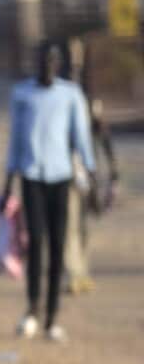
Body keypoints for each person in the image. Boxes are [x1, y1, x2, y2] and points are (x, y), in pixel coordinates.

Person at [0, 41, 97, 343]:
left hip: (60, 177)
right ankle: (32, 309)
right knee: (36, 244)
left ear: (58, 64)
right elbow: (15, 140)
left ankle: (52, 317)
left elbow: (81, 139)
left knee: (57, 248)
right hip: (31, 176)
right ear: (36, 63)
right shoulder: (22, 94)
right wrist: (7, 186)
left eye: (53, 61)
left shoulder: (70, 95)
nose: (48, 67)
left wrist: (91, 180)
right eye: (43, 61)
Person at [64, 98, 119, 295]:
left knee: (83, 228)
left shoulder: (89, 106)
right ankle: (73, 274)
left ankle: (82, 272)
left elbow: (105, 139)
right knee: (69, 228)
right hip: (66, 178)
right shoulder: (64, 103)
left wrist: (113, 171)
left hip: (88, 179)